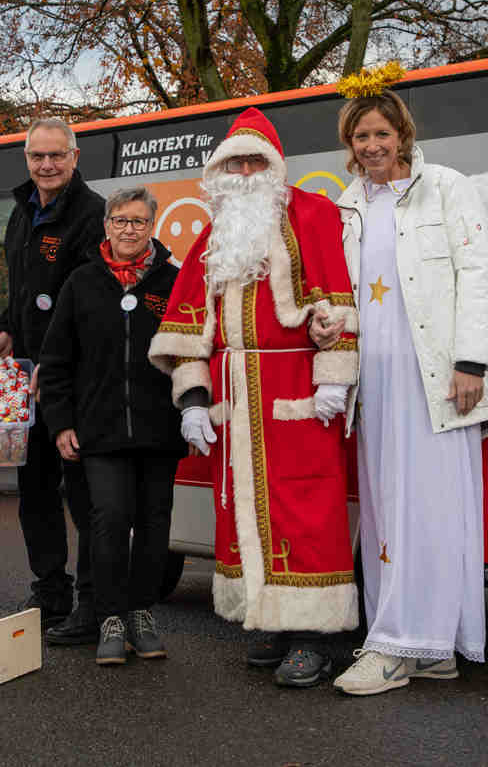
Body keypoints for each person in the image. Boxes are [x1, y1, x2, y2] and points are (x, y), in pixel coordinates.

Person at [321, 86, 488, 696]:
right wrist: (328, 324)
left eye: (381, 134)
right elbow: (347, 293)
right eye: (361, 136)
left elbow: (478, 273)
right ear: (349, 143)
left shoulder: (446, 186)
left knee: (432, 508)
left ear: (403, 135)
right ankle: (421, 643)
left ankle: (405, 642)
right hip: (376, 381)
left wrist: (471, 361)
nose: (371, 146)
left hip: (437, 379)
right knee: (387, 506)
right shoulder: (346, 206)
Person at [148, 107, 360, 688]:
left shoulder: (312, 215)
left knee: (305, 510)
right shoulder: (214, 236)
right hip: (235, 394)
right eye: (235, 161)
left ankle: (312, 638)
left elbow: (336, 299)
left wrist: (333, 379)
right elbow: (187, 328)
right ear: (220, 170)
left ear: (273, 165)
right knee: (241, 510)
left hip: (296, 389)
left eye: (254, 160)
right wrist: (193, 399)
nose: (244, 170)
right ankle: (267, 618)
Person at [38, 186, 186, 665]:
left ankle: (141, 614)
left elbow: (191, 351)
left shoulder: (174, 281)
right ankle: (109, 618)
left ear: (152, 228)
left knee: (153, 526)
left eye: (139, 222)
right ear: (106, 226)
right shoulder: (82, 282)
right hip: (98, 431)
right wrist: (61, 423)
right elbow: (56, 361)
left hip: (159, 429)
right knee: (108, 522)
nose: (128, 230)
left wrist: (193, 410)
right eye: (120, 221)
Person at [0, 117, 105, 640]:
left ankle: (93, 602)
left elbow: (85, 305)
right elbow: (23, 287)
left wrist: (51, 364)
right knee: (34, 489)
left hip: (72, 379)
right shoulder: (20, 211)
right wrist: (9, 330)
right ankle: (50, 588)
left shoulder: (92, 214)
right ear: (27, 159)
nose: (47, 166)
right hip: (26, 376)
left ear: (74, 157)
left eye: (57, 156)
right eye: (37, 157)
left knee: (84, 492)